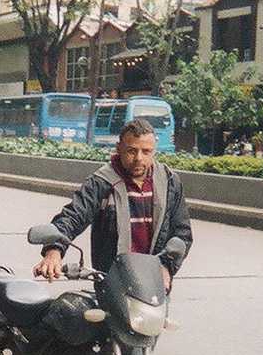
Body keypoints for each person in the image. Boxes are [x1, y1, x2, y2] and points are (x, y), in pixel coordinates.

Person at [34, 117, 193, 314]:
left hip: (152, 285)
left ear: (154, 151)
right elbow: (73, 215)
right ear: (119, 148)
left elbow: (182, 233)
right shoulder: (101, 182)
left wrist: (167, 267)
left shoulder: (169, 182)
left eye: (146, 151)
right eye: (132, 151)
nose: (139, 158)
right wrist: (54, 250)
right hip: (113, 284)